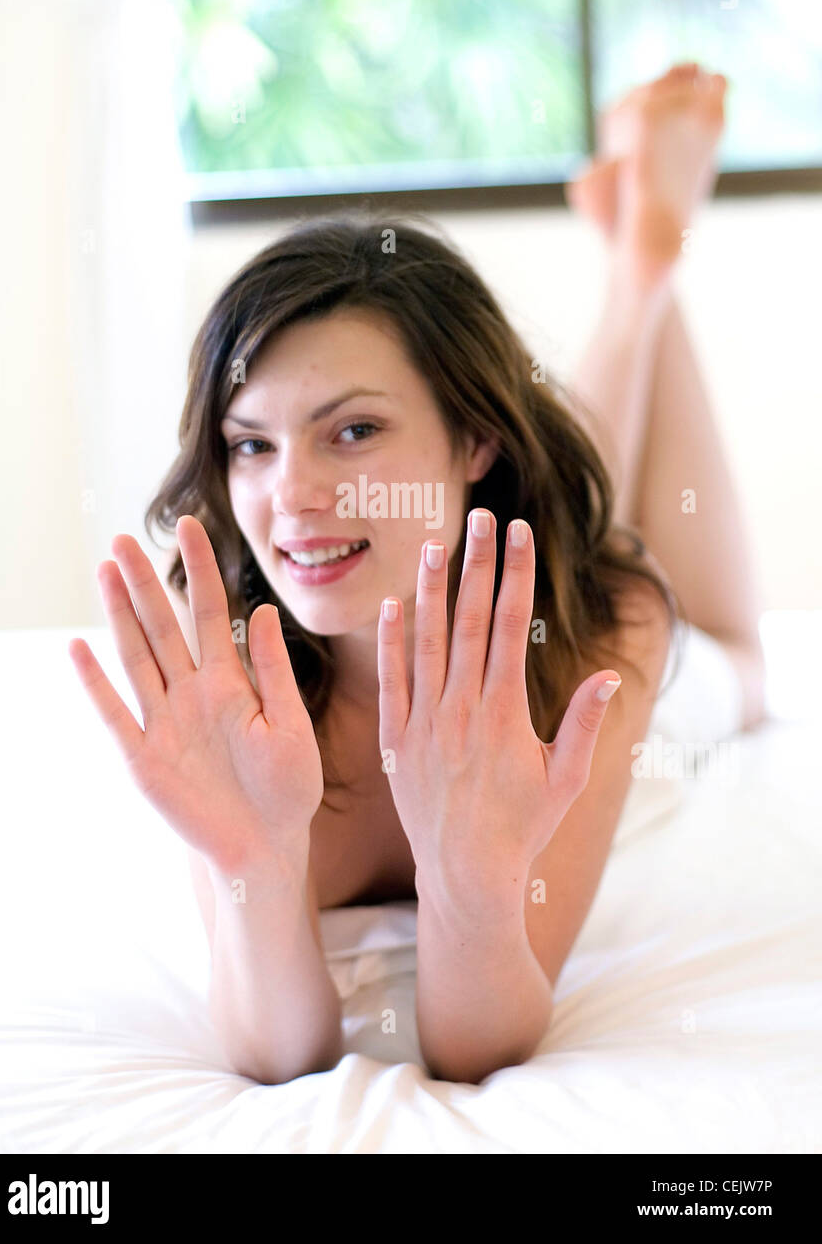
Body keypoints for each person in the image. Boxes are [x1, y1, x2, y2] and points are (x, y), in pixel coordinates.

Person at [68, 62, 766, 1087]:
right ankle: (639, 260)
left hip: (572, 620)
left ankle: (646, 272)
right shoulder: (230, 664)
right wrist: (255, 866)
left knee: (739, 663)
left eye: (352, 430)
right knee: (557, 518)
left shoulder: (600, 639)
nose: (292, 494)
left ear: (476, 436)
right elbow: (275, 1052)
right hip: (494, 535)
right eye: (251, 445)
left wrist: (468, 883)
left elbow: (477, 1044)